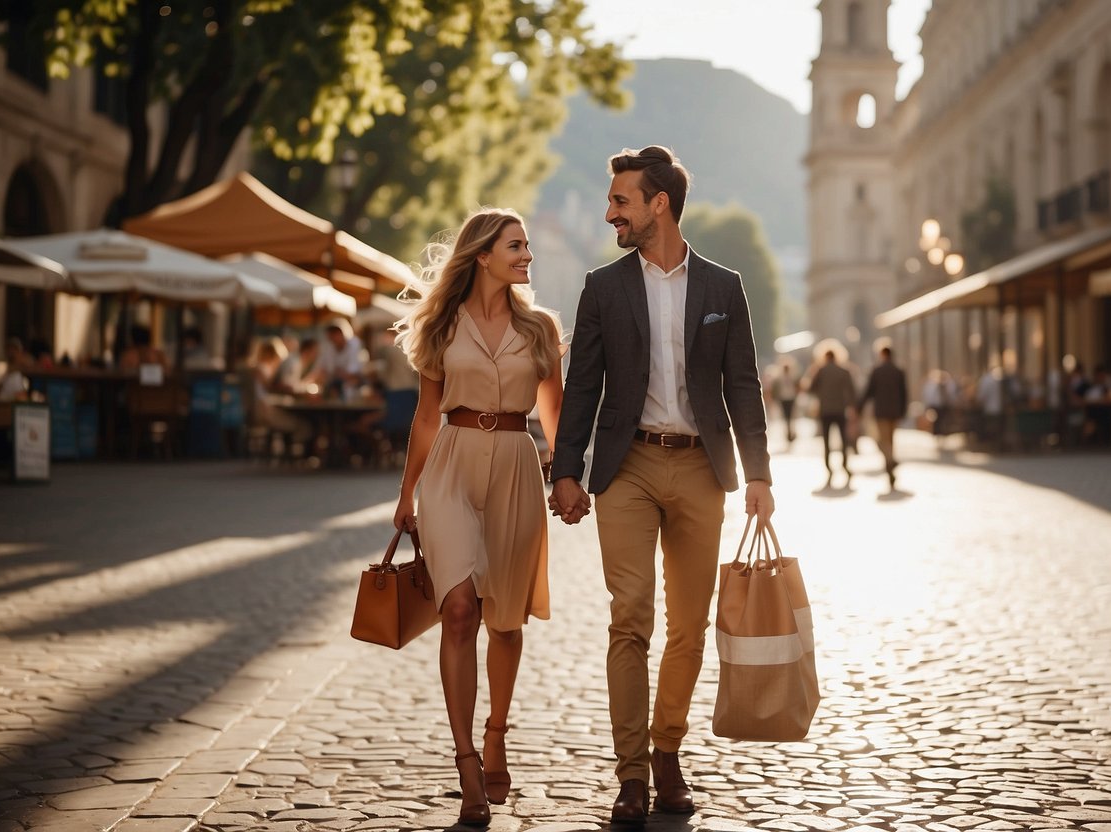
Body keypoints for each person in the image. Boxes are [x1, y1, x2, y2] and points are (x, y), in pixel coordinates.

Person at [548, 145, 774, 824]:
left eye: (620, 200)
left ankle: (666, 746)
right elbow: (582, 385)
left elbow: (742, 384)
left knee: (689, 627)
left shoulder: (722, 287)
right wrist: (564, 469)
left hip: (702, 467)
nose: (609, 211)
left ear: (658, 205)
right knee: (630, 618)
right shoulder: (602, 287)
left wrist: (758, 474)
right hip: (628, 467)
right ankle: (631, 775)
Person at [392, 208, 564, 827]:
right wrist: (406, 494)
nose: (527, 255)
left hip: (518, 465)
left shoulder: (540, 328)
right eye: (516, 246)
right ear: (483, 254)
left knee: (507, 621)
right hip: (451, 470)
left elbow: (555, 416)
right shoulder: (441, 325)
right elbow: (425, 417)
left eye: (527, 246)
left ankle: (497, 731)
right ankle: (466, 761)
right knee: (459, 609)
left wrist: (566, 477)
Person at [859, 345, 908, 490]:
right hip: (895, 411)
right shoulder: (899, 371)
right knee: (891, 439)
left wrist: (859, 407)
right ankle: (890, 461)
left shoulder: (877, 371)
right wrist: (903, 411)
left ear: (882, 355)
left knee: (882, 439)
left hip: (881, 411)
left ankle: (889, 460)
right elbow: (904, 393)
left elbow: (868, 391)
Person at [806, 346, 856, 488]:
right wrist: (853, 408)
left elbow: (810, 389)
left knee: (827, 443)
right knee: (844, 440)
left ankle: (829, 469)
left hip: (825, 411)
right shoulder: (844, 371)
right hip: (840, 410)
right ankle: (845, 465)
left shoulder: (820, 371)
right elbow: (852, 391)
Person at [307, 318, 364, 397]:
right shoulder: (328, 347)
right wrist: (305, 384)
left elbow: (353, 374)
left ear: (342, 333)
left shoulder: (355, 345)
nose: (333, 337)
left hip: (353, 392)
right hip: (333, 390)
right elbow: (319, 369)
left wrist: (338, 374)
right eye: (331, 334)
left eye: (335, 333)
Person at [769, 360, 800, 444]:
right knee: (786, 416)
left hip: (791, 398)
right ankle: (788, 432)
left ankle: (790, 432)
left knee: (791, 416)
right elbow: (775, 389)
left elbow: (797, 386)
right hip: (783, 399)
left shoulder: (792, 377)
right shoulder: (779, 378)